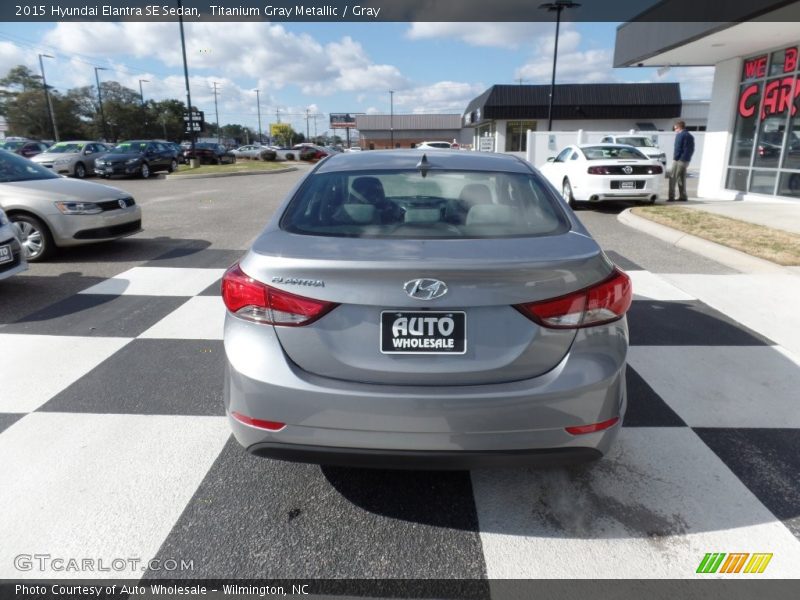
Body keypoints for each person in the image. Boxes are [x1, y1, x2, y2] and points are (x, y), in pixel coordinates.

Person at [668, 120, 694, 201]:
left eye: (675, 128)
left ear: (679, 127)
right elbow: (692, 149)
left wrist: (675, 158)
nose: (675, 130)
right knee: (681, 178)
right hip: (686, 160)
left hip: (679, 160)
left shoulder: (680, 135)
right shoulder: (690, 136)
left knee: (673, 177)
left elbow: (678, 148)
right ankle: (683, 196)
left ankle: (671, 196)